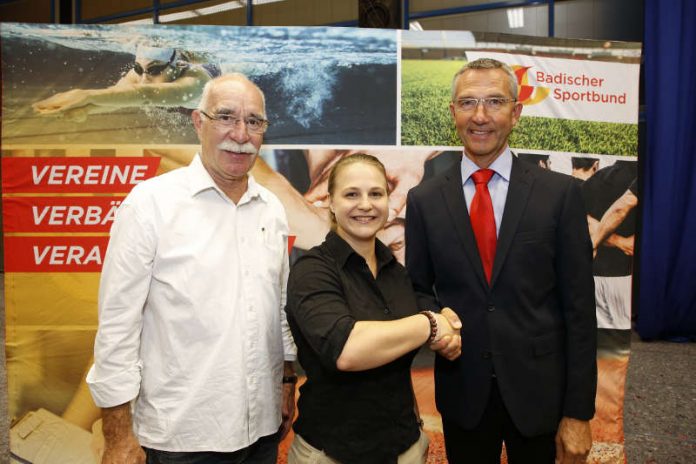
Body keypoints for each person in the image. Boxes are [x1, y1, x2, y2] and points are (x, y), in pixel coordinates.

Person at [86, 73, 297, 464]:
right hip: (181, 437)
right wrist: (116, 435)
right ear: (198, 122)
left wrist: (286, 380)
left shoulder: (271, 208)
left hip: (262, 432)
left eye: (254, 121)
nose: (240, 133)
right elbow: (118, 326)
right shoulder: (150, 205)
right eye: (226, 117)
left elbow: (278, 306)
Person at [405, 58, 597, 463]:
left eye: (494, 102)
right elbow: (419, 288)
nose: (480, 116)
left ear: (516, 112)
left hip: (540, 394)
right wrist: (436, 324)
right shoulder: (424, 200)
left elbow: (580, 310)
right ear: (452, 112)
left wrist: (579, 412)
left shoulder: (559, 195)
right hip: (464, 392)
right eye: (467, 102)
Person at [285, 154, 462, 464]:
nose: (365, 204)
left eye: (376, 193)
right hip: (331, 454)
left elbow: (422, 330)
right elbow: (348, 350)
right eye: (351, 194)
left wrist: (447, 332)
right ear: (331, 202)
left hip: (405, 448)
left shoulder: (397, 272)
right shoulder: (313, 271)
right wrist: (432, 324)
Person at [32, 44, 220, 121]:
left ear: (176, 66)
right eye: (139, 68)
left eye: (154, 70)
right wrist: (86, 109)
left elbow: (145, 95)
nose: (144, 79)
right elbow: (116, 98)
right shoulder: (142, 74)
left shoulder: (195, 82)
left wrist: (85, 95)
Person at [582, 161, 638, 330]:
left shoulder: (596, 178)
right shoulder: (640, 180)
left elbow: (580, 218)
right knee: (614, 345)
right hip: (623, 280)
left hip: (594, 275)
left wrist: (598, 241)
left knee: (592, 339)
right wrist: (621, 242)